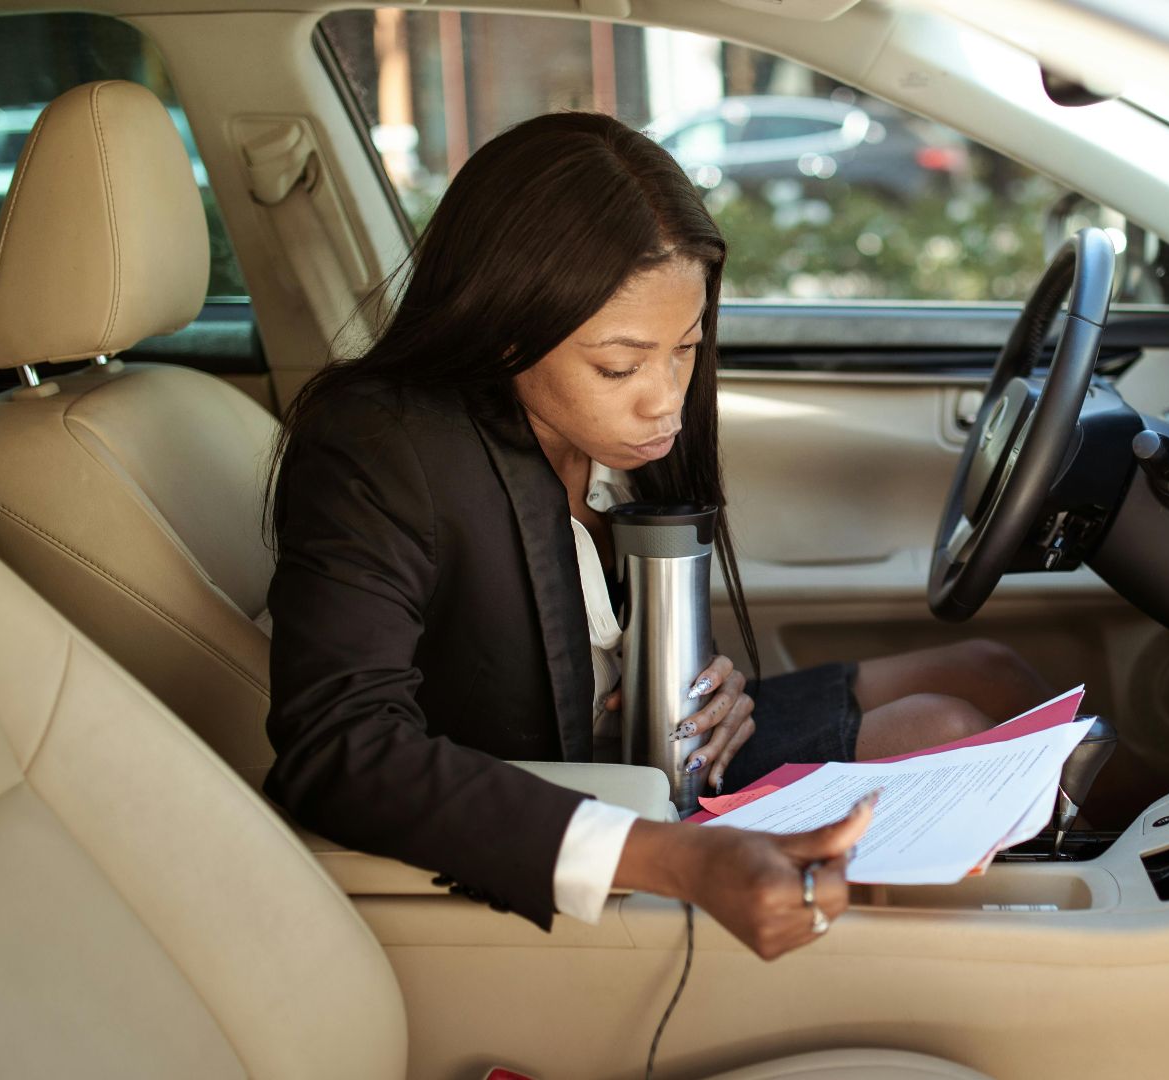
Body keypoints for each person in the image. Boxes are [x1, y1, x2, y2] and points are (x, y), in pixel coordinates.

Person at [264, 111, 1053, 960]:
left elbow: (605, 640)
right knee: (942, 725)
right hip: (573, 810)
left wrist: (715, 688)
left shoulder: (610, 442)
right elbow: (340, 749)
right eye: (619, 366)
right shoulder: (381, 445)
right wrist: (679, 858)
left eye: (687, 348)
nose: (666, 400)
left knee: (988, 671)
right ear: (504, 327)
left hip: (662, 757)